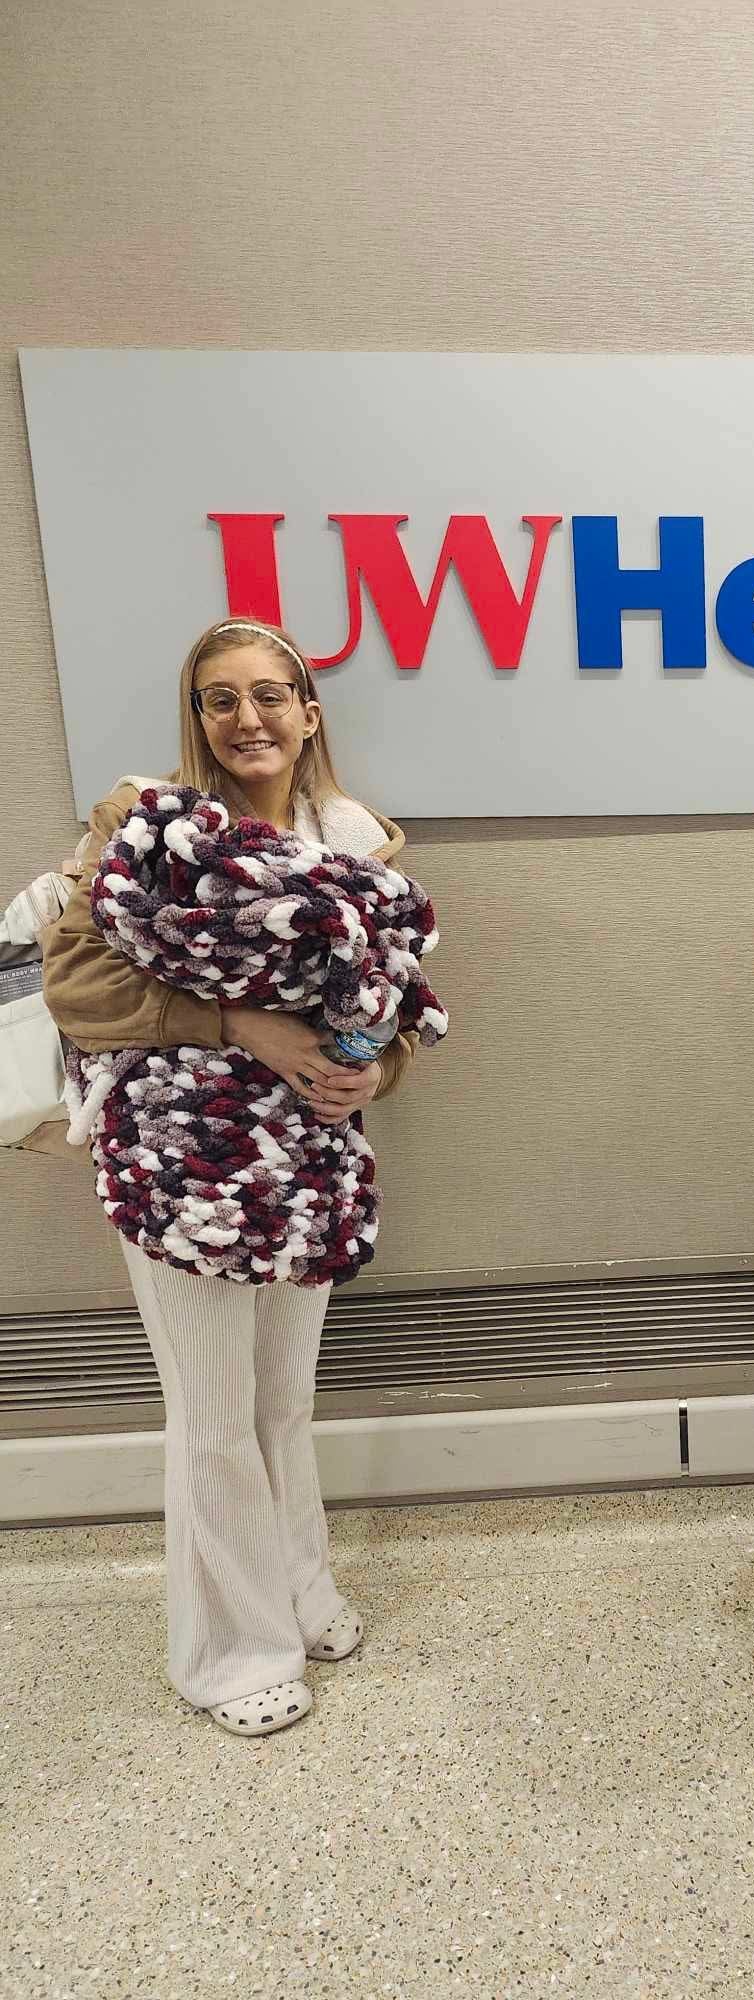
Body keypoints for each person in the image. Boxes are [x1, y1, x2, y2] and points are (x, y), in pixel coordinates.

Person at [44, 618, 426, 1735]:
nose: (246, 718)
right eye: (220, 698)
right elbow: (76, 985)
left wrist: (378, 1070)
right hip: (181, 1166)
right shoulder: (143, 825)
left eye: (268, 694)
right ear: (196, 717)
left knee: (281, 1402)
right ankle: (228, 1651)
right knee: (212, 1413)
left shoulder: (355, 840)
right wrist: (235, 1022)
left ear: (309, 712)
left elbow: (390, 998)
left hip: (307, 1164)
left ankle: (297, 1592)